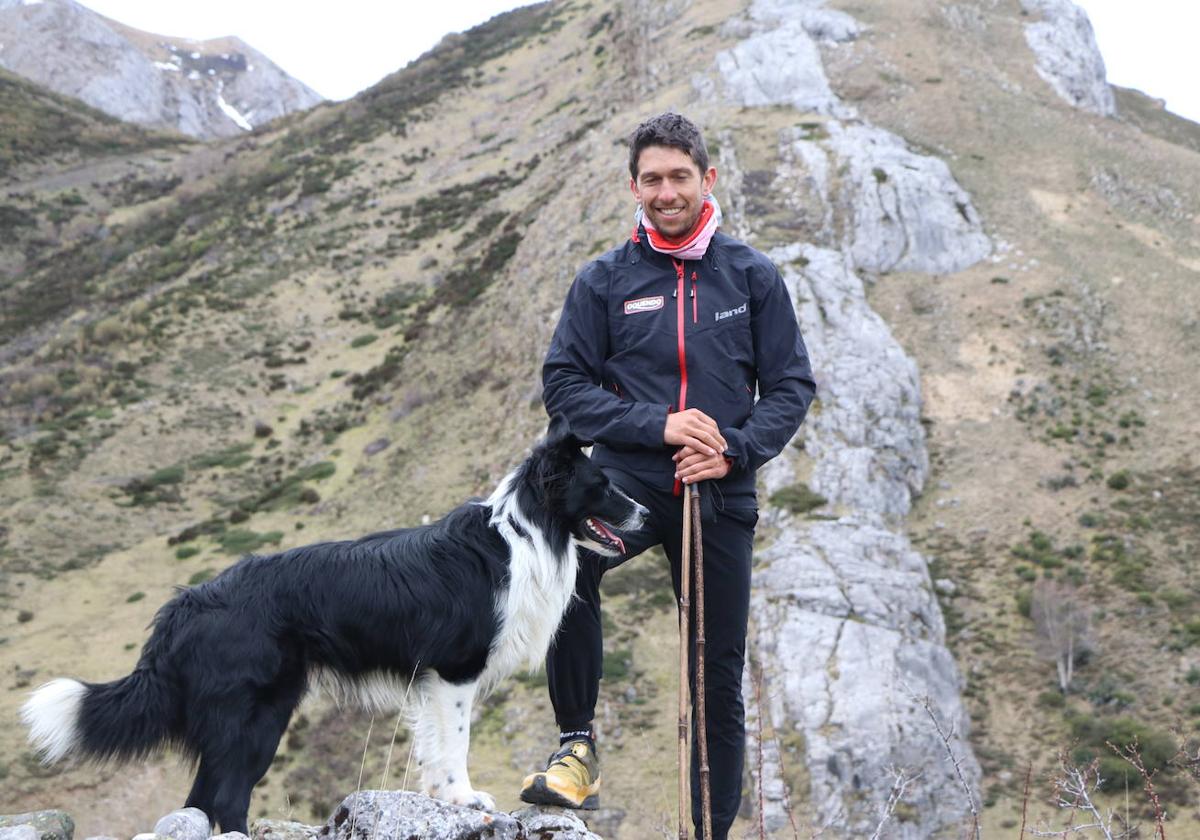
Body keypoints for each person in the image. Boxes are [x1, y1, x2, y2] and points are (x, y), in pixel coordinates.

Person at [521, 112, 816, 840]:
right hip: (626, 483)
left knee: (716, 673)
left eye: (679, 176)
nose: (665, 192)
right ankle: (576, 750)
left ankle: (709, 830)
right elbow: (564, 387)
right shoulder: (605, 279)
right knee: (566, 566)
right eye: (651, 179)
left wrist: (733, 451)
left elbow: (790, 387)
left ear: (707, 179)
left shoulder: (751, 276)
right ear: (634, 186)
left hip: (719, 489)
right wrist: (658, 423)